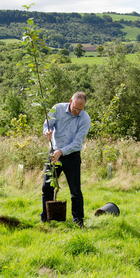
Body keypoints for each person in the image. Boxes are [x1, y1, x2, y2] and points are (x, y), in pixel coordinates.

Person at [40, 92, 91, 227]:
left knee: (75, 191)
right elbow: (47, 124)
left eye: (80, 109)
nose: (77, 112)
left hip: (72, 156)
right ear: (70, 102)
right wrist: (47, 132)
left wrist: (61, 152)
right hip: (53, 153)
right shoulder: (57, 109)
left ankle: (78, 221)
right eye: (75, 108)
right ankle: (45, 219)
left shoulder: (85, 119)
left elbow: (77, 143)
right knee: (47, 187)